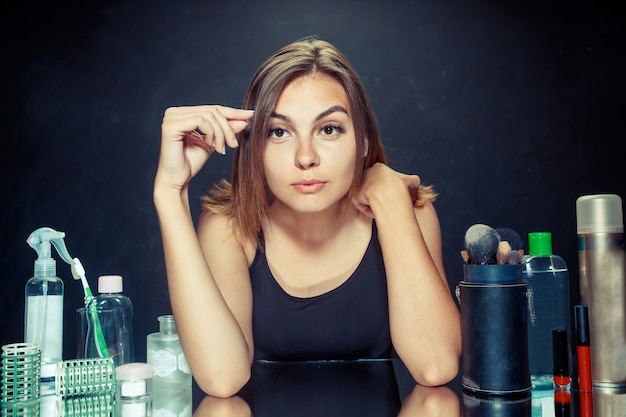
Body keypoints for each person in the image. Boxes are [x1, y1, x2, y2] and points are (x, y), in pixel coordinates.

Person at [154, 36, 461, 398]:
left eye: (328, 129)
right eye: (279, 132)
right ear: (256, 146)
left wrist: (391, 200)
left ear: (362, 140)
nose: (305, 157)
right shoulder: (229, 229)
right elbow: (222, 378)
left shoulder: (409, 214)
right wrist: (170, 193)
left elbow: (437, 365)